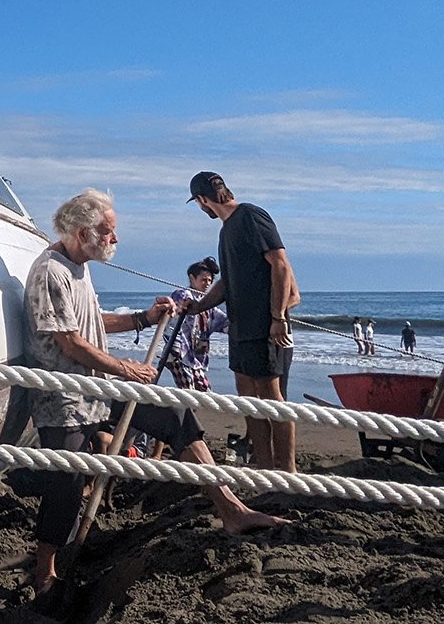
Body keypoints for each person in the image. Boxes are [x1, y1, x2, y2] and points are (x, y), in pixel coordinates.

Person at [23, 189, 285, 591]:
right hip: (66, 397)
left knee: (175, 415)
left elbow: (94, 321)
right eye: (108, 232)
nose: (115, 240)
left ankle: (231, 508)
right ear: (80, 232)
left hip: (99, 388)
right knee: (67, 482)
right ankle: (45, 571)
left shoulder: (79, 267)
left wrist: (144, 318)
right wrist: (125, 367)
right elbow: (69, 342)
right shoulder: (50, 272)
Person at [182, 171, 301, 472]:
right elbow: (226, 284)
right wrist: (197, 307)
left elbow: (281, 265)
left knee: (272, 398)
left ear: (202, 200)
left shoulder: (251, 215)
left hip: (265, 326)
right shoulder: (226, 230)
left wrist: (277, 318)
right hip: (241, 328)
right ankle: (264, 467)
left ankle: (287, 471)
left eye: (199, 204)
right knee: (248, 398)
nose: (202, 209)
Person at [164, 256, 228, 391]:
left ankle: (193, 412)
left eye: (209, 281)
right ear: (192, 278)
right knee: (189, 391)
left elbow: (223, 322)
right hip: (179, 354)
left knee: (205, 390)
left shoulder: (206, 303)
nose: (207, 284)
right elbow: (174, 315)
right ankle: (188, 412)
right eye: (203, 280)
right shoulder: (182, 294)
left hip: (195, 358)